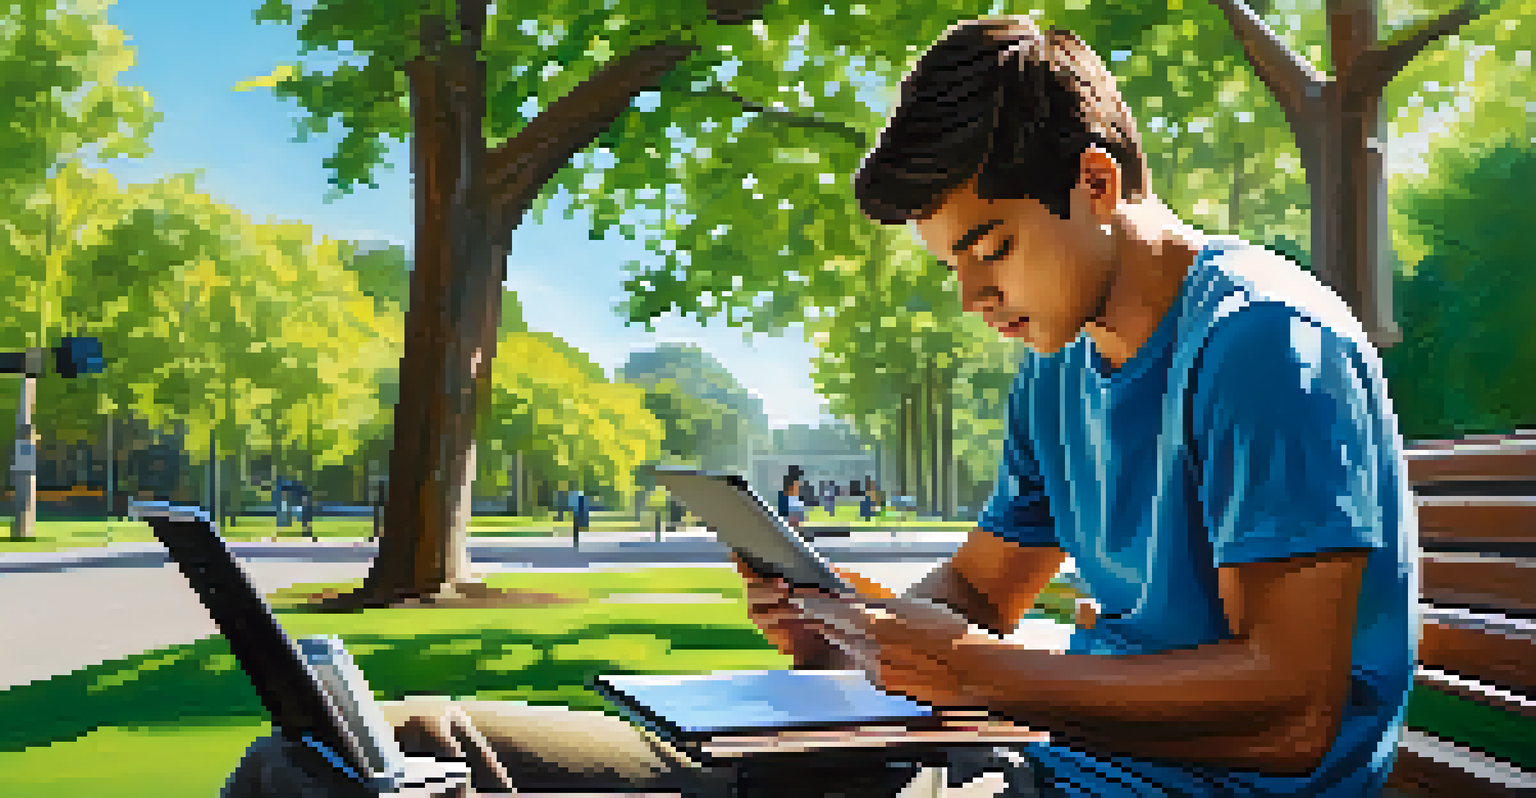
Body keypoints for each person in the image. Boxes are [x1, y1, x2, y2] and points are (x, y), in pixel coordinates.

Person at [222, 15, 1412, 798]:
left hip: (1108, 780)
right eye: (950, 261)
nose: (972, 296)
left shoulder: (1265, 346)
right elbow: (980, 598)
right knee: (372, 757)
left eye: (989, 246)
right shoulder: (1061, 362)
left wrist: (980, 677)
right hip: (1006, 751)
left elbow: (1291, 715)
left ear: (1094, 183)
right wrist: (846, 619)